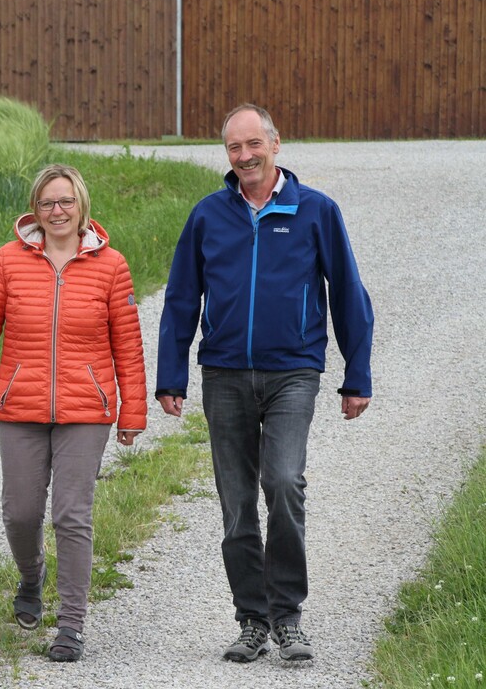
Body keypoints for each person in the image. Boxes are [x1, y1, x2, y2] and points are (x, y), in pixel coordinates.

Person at [155, 104, 373, 663]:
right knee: (236, 503)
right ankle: (252, 619)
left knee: (283, 482)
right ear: (226, 154)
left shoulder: (315, 210)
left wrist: (358, 375)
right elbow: (181, 297)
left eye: (254, 144)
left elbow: (349, 293)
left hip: (292, 371)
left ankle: (288, 617)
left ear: (276, 144)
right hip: (224, 373)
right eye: (234, 147)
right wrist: (171, 376)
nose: (245, 155)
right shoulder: (208, 215)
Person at [0, 163, 147, 663]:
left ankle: (71, 625)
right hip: (20, 405)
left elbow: (128, 346)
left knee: (71, 514)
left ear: (82, 205)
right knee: (20, 512)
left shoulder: (112, 265)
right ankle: (30, 575)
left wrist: (132, 412)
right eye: (47, 203)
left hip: (87, 409)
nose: (57, 211)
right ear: (35, 210)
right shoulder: (8, 260)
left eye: (66, 201)